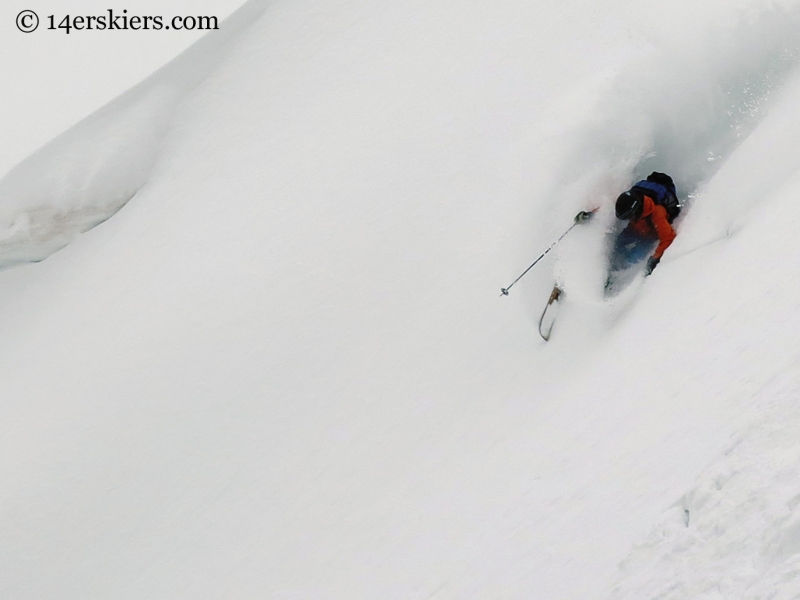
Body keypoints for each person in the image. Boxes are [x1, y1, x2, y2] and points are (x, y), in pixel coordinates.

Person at [575, 172, 679, 276]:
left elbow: (669, 237)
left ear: (636, 211)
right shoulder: (629, 201)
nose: (628, 219)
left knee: (633, 257)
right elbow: (608, 208)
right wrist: (590, 215)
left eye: (629, 217)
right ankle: (606, 269)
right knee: (616, 245)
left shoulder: (657, 213)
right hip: (633, 230)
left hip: (649, 237)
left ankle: (618, 274)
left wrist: (656, 258)